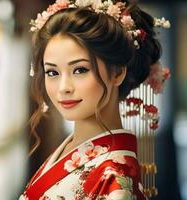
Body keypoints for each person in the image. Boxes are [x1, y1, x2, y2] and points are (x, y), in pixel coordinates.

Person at [20, 0, 170, 199]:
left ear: (117, 72)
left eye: (80, 70)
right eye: (52, 72)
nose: (63, 88)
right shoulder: (71, 148)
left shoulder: (115, 180)